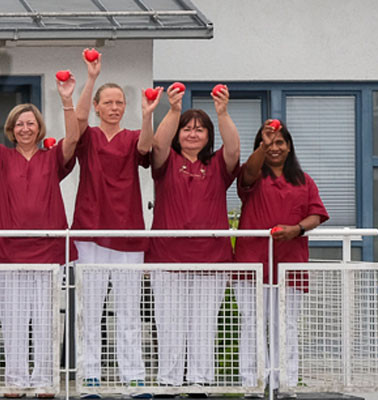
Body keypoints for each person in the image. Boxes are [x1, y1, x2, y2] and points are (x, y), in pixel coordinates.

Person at [144, 83, 243, 391]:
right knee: (169, 324)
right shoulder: (167, 163)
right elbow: (157, 146)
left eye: (200, 130)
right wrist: (173, 109)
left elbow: (234, 149)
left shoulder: (217, 166)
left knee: (203, 326)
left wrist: (222, 112)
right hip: (167, 258)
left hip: (210, 260)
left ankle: (199, 383)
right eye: (187, 129)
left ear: (208, 136)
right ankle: (169, 383)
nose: (192, 134)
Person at [71, 50, 155, 389]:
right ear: (97, 106)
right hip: (90, 232)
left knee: (128, 311)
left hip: (128, 234)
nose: (115, 107)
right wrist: (91, 78)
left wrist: (148, 115)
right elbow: (75, 123)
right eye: (109, 102)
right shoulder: (88, 137)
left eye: (120, 102)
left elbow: (147, 148)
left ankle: (132, 376)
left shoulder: (133, 136)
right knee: (89, 311)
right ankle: (88, 375)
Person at [0, 96, 80, 392]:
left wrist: (66, 101)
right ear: (11, 130)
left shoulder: (51, 158)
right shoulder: (1, 158)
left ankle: (44, 382)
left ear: (39, 128)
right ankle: (14, 380)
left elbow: (75, 136)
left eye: (31, 123)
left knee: (44, 321)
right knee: (12, 321)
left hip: (47, 252)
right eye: (19, 124)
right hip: (8, 253)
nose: (25, 129)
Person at [235, 120, 327, 395]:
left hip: (290, 264)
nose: (274, 148)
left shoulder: (304, 180)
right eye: (268, 143)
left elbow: (316, 214)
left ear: (289, 147)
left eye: (280, 142)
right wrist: (263, 143)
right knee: (251, 323)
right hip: (252, 261)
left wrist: (297, 229)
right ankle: (251, 384)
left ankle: (284, 384)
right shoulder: (251, 175)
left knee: (285, 325)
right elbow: (249, 172)